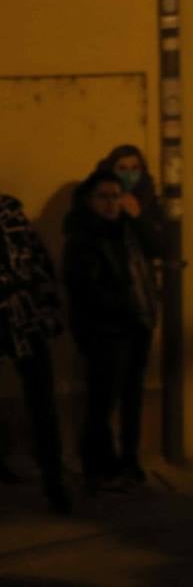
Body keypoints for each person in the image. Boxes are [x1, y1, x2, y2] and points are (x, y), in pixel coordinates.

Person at [62, 170, 160, 492]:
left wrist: (139, 217)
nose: (110, 203)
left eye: (115, 196)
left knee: (132, 397)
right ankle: (99, 465)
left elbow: (157, 247)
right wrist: (118, 308)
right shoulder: (83, 236)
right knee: (103, 400)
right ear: (89, 201)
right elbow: (83, 286)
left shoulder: (128, 230)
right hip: (106, 329)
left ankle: (129, 462)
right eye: (103, 196)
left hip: (137, 324)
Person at [0, 194, 71, 514]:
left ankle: (54, 480)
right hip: (21, 317)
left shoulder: (12, 213)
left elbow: (39, 263)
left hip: (25, 319)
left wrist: (48, 310)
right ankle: (52, 480)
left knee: (42, 401)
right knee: (40, 400)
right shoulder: (13, 213)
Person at [97, 145, 164, 243]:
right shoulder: (95, 198)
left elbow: (159, 248)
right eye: (122, 169)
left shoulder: (150, 200)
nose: (129, 175)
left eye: (135, 168)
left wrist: (138, 217)